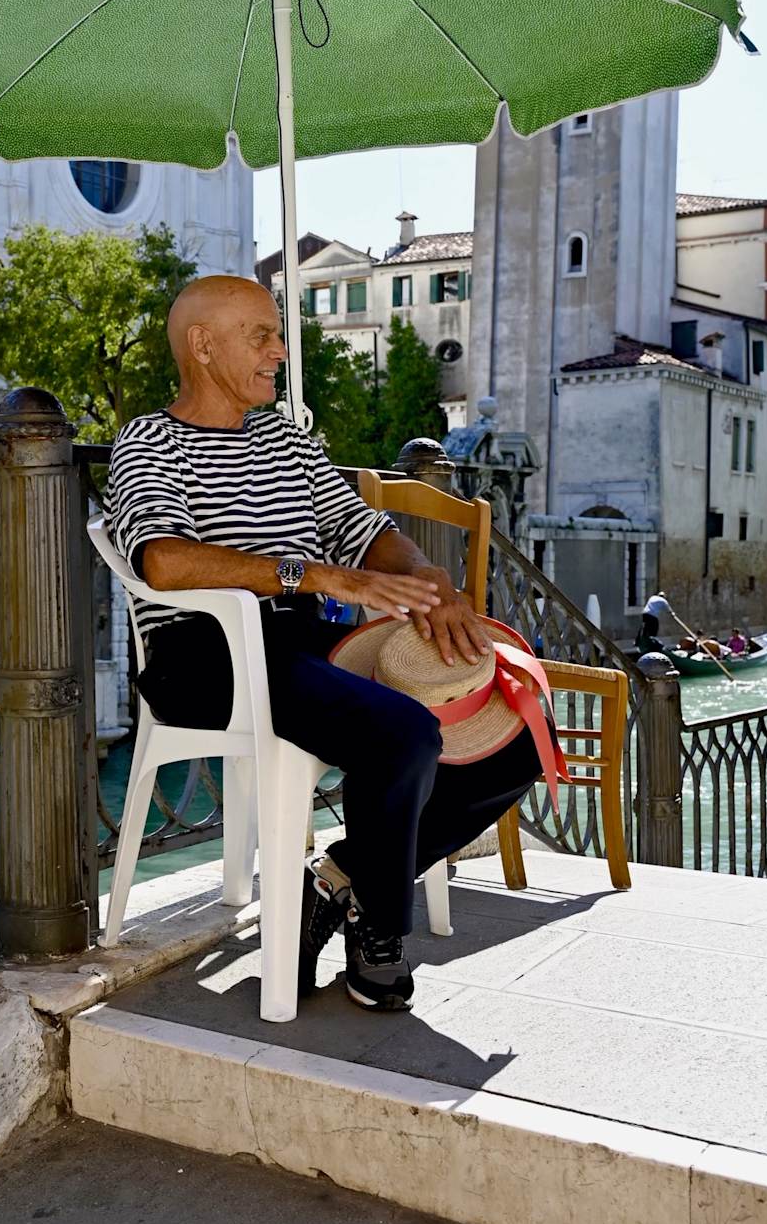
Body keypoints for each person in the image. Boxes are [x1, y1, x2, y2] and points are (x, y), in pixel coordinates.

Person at [105, 275, 541, 1013]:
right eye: (261, 336)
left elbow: (365, 533)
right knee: (401, 733)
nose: (279, 351)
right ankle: (382, 932)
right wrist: (312, 575)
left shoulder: (285, 439)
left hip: (305, 643)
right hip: (205, 655)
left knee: (515, 734)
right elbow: (164, 561)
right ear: (202, 346)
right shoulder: (150, 440)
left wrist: (430, 582)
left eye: (279, 336)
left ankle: (339, 878)